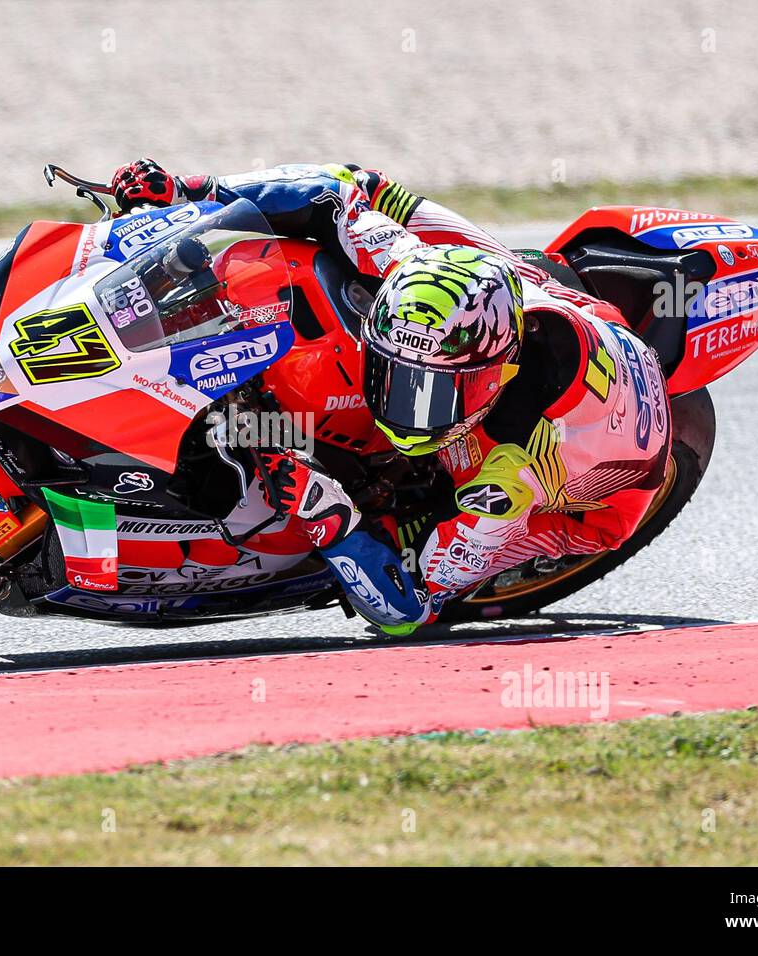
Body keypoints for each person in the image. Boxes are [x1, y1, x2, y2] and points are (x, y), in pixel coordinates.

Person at [109, 159, 673, 634]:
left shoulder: (511, 477)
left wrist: (325, 513)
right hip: (543, 298)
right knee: (363, 182)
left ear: (489, 378)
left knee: (401, 525)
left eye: (426, 392)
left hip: (589, 499)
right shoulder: (413, 269)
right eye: (391, 374)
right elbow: (333, 196)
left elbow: (404, 612)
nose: (401, 405)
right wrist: (194, 196)